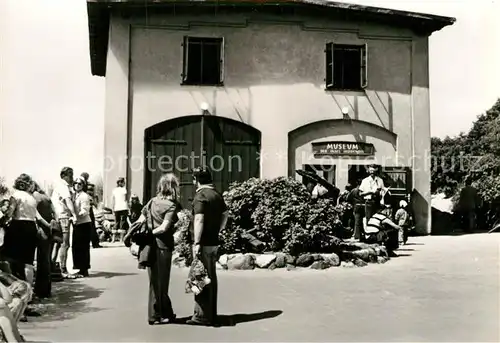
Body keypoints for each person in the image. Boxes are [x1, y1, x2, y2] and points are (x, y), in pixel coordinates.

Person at [129, 173, 181, 325]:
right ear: (173, 188)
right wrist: (152, 233)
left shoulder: (152, 202)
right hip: (162, 246)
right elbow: (164, 227)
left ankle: (161, 313)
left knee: (153, 281)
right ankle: (158, 314)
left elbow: (140, 220)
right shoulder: (172, 205)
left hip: (148, 247)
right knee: (162, 282)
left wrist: (139, 236)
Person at [186, 167, 228, 326]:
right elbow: (225, 214)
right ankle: (211, 313)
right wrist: (219, 229)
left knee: (200, 276)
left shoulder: (201, 195)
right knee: (211, 276)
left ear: (197, 180)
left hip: (203, 243)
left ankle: (201, 316)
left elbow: (199, 219)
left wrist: (197, 242)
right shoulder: (216, 195)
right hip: (213, 242)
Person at [3, 174, 50, 285]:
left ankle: (15, 287)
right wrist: (49, 226)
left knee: (11, 258)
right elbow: (37, 217)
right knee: (28, 262)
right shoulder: (31, 198)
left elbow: (10, 213)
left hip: (18, 226)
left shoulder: (15, 195)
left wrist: (5, 216)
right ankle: (29, 290)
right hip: (31, 227)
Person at [51, 167, 77, 277]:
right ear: (63, 176)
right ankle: (63, 269)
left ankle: (53, 267)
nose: (72, 177)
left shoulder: (60, 186)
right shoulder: (63, 186)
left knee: (58, 243)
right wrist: (74, 214)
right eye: (70, 175)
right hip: (64, 217)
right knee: (65, 244)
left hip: (58, 216)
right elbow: (68, 201)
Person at [32, 182, 55, 299]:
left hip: (41, 229)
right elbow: (54, 212)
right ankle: (46, 289)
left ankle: (40, 290)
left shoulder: (35, 195)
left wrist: (46, 225)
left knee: (41, 261)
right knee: (46, 260)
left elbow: (36, 215)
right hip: (48, 231)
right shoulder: (46, 196)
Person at [72, 177, 92, 278]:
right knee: (77, 247)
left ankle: (84, 269)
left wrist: (76, 215)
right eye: (75, 183)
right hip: (77, 223)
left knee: (83, 247)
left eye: (79, 184)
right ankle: (80, 268)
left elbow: (85, 210)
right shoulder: (74, 195)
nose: (77, 185)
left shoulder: (84, 196)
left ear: (83, 185)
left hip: (84, 223)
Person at [81, 172, 101, 249]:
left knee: (89, 226)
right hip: (87, 207)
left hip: (86, 207)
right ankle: (94, 243)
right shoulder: (88, 185)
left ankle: (92, 243)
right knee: (91, 225)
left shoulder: (82, 185)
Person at [111, 177, 129, 243]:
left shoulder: (114, 190)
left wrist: (113, 208)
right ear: (120, 183)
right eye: (123, 182)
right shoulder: (124, 190)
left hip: (116, 208)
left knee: (116, 222)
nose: (124, 183)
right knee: (122, 222)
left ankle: (113, 239)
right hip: (123, 207)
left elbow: (113, 200)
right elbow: (126, 199)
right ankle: (121, 239)